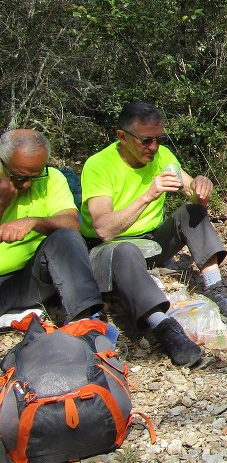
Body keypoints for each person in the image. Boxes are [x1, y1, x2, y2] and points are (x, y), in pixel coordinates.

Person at [0, 129, 201, 367]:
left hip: (36, 277)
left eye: (35, 176)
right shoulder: (101, 164)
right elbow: (103, 226)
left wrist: (34, 222)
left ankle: (89, 327)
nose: (26, 184)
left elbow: (71, 223)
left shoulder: (51, 179)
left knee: (68, 237)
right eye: (18, 177)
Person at [80, 102, 227, 331]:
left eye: (159, 139)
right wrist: (148, 195)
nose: (154, 147)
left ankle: (215, 287)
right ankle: (158, 325)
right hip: (112, 250)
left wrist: (201, 190)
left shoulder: (162, 156)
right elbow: (104, 229)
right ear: (122, 136)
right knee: (124, 249)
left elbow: (193, 194)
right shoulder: (99, 165)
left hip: (151, 243)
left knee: (192, 212)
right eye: (146, 140)